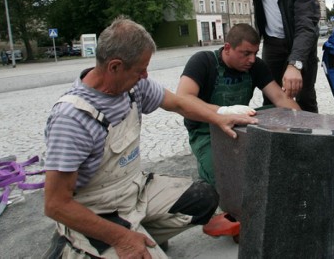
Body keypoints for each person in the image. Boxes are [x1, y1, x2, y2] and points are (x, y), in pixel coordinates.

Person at [43, 16, 258, 258]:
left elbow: (178, 103)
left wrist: (220, 115)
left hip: (133, 190)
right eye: (140, 70)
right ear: (114, 67)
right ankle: (75, 245)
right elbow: (55, 204)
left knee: (205, 198)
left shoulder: (133, 87)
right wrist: (122, 238)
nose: (145, 76)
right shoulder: (72, 119)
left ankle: (142, 232)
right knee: (132, 247)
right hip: (97, 208)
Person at [176, 23, 300, 187]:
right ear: (227, 48)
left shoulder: (256, 66)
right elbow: (183, 98)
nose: (252, 59)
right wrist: (224, 111)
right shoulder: (203, 62)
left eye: (255, 53)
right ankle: (206, 164)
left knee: (277, 116)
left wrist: (304, 125)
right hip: (206, 132)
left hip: (239, 127)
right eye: (246, 53)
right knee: (224, 179)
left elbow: (279, 97)